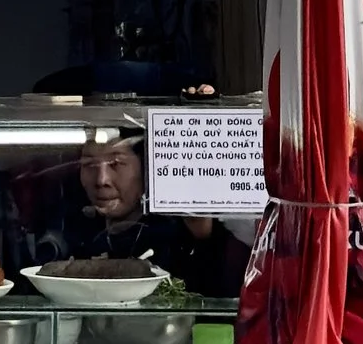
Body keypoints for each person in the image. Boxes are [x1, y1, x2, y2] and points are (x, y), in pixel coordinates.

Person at [44, 125, 247, 305]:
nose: (101, 180)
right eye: (89, 166)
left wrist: (205, 236)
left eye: (116, 164)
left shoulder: (179, 233)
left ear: (146, 169)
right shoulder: (71, 231)